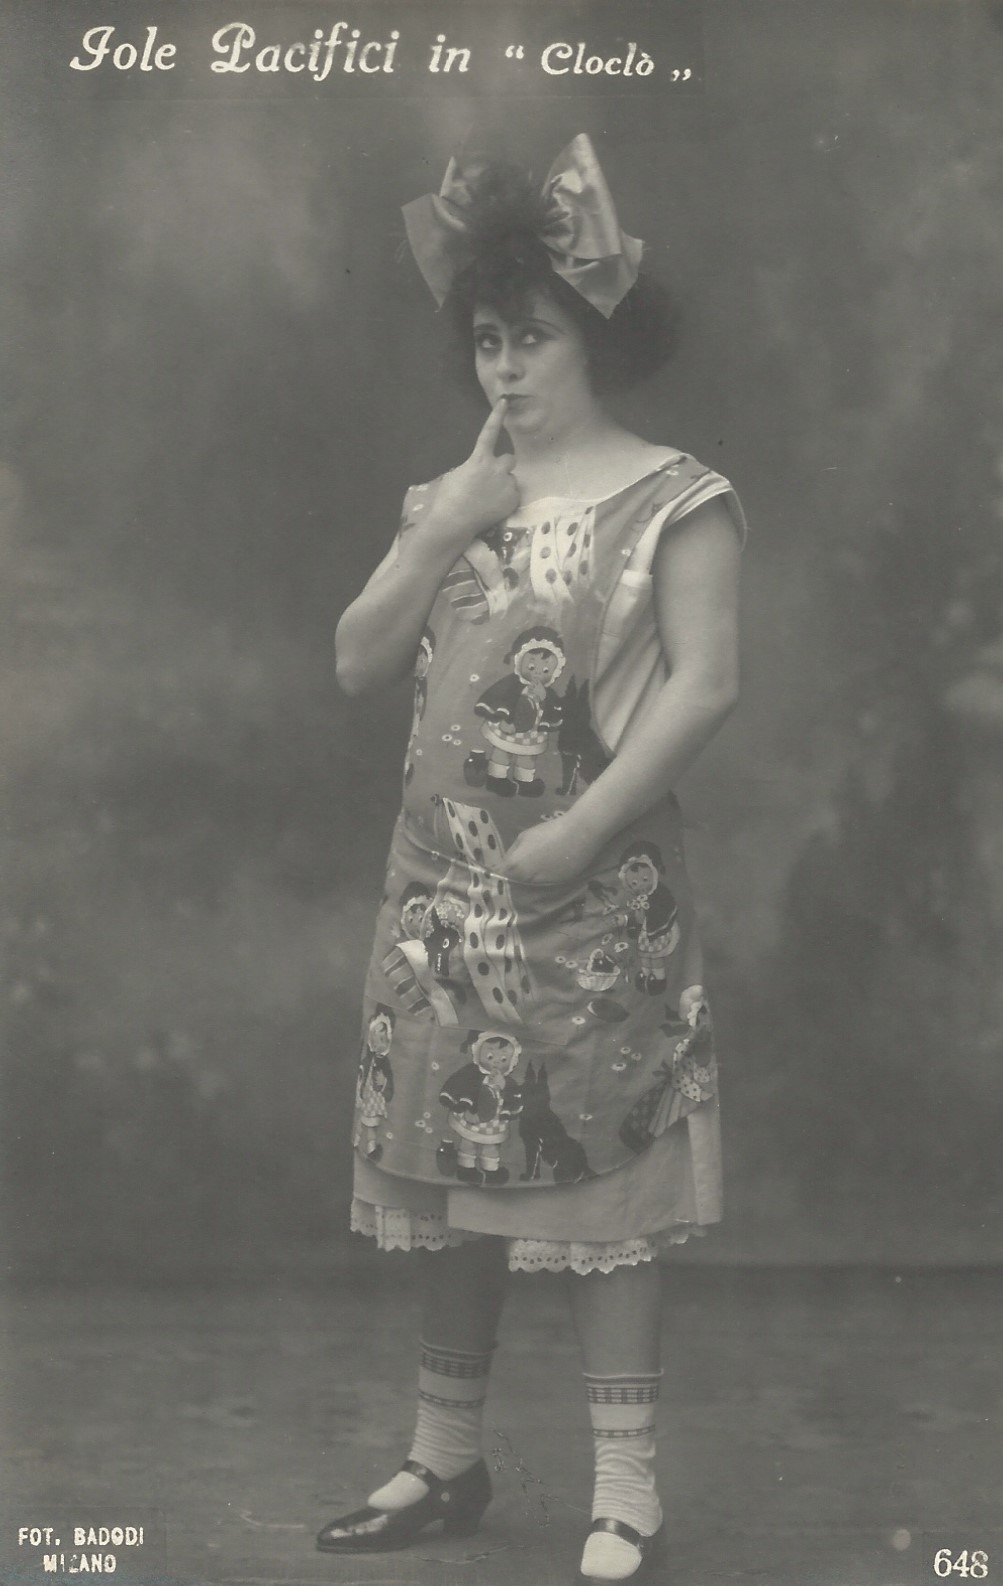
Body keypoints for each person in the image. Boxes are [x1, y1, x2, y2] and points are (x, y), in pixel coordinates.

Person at [318, 134, 745, 1584]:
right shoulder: (451, 498)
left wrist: (585, 823)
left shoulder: (675, 496)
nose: (505, 368)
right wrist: (438, 530)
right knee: (452, 1174)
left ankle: (626, 1490)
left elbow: (706, 685)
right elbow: (355, 662)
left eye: (534, 337)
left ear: (594, 338)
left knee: (599, 1192)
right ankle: (445, 1457)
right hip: (438, 899)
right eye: (488, 338)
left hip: (592, 894)